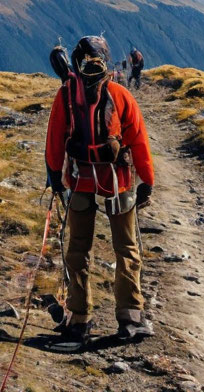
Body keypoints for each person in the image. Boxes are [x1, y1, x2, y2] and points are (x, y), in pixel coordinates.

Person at [46, 36, 155, 346]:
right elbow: (138, 140)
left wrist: (55, 176)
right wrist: (147, 180)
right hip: (117, 181)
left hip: (81, 181)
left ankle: (79, 319)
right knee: (126, 249)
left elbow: (55, 138)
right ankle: (130, 317)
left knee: (78, 250)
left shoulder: (67, 96)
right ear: (106, 62)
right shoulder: (120, 95)